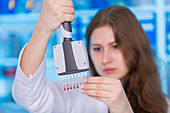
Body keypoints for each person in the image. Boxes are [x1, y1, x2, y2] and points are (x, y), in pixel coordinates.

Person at [12, 0, 170, 113]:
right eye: (97, 48)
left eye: (115, 46)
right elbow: (29, 97)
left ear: (136, 47)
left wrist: (123, 109)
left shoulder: (163, 106)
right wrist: (43, 28)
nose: (105, 59)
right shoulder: (76, 93)